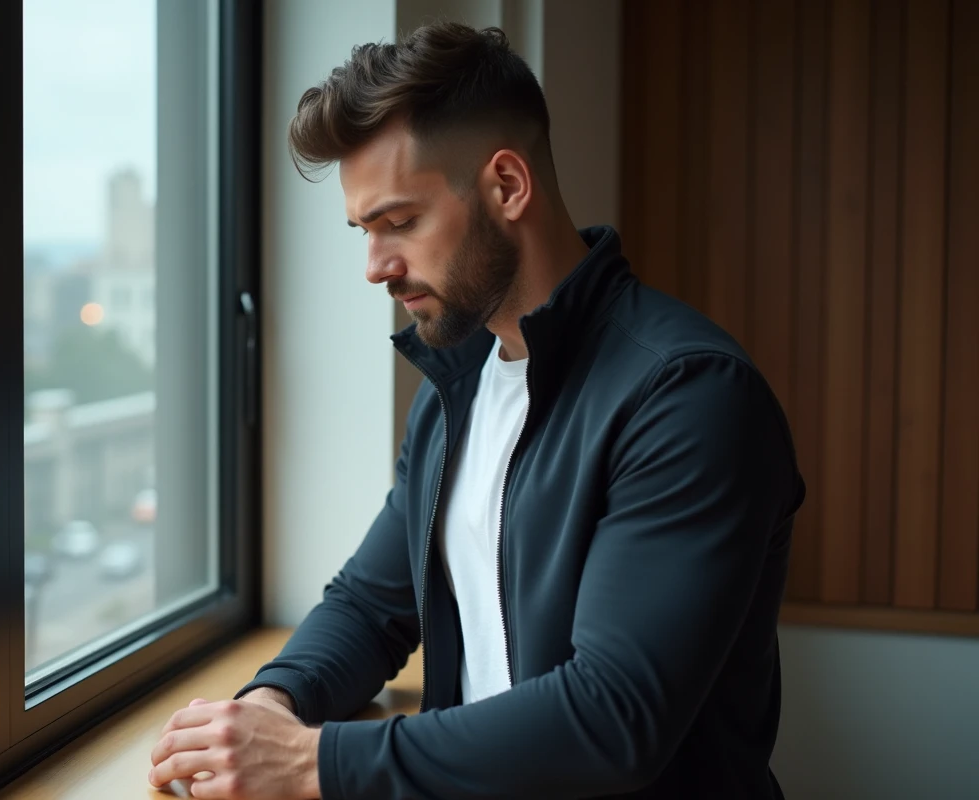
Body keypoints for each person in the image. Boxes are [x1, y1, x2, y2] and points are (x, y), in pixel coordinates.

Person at [148, 21, 803, 800]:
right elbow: (371, 604)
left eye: (400, 222)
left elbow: (612, 719)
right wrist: (266, 710)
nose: (375, 267)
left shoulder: (688, 395)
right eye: (364, 231)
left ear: (507, 186)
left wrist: (307, 763)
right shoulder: (455, 390)